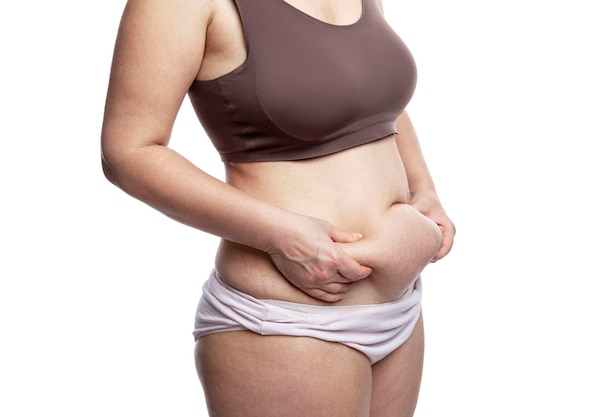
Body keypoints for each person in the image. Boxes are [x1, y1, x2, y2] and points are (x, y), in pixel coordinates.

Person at [101, 0, 455, 415]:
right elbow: (129, 152)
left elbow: (373, 97)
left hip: (400, 308)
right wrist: (280, 235)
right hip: (287, 322)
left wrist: (423, 190)